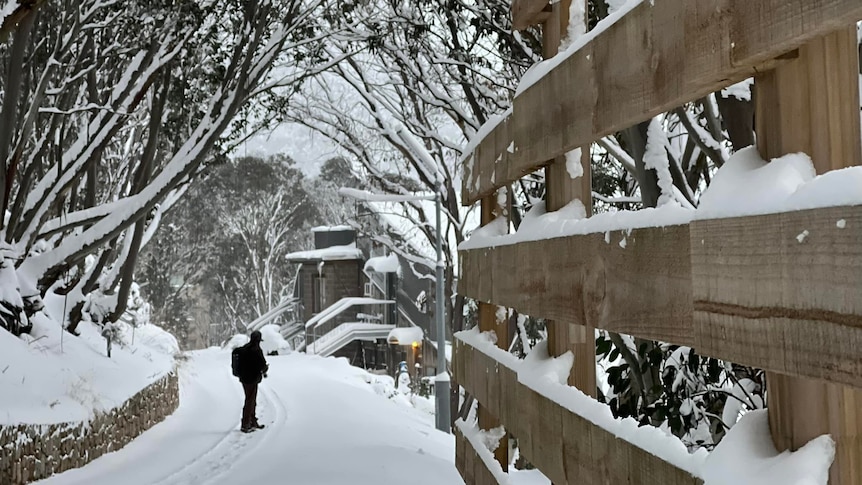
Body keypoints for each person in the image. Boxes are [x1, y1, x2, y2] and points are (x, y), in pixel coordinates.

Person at [235, 330, 269, 433]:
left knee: (250, 399)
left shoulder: (244, 349)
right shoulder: (257, 350)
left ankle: (252, 421)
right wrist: (265, 369)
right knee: (250, 401)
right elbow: (262, 365)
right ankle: (246, 424)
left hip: (244, 379)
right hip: (252, 379)